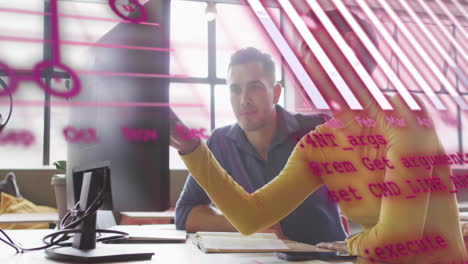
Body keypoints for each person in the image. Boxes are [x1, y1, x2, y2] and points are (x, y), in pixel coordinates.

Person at [170, 10, 467, 264]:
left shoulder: (404, 116)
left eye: (308, 49)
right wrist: (190, 147)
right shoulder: (320, 142)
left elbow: (397, 241)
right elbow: (250, 216)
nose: (300, 62)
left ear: (348, 44)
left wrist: (347, 246)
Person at [174, 47, 346, 245]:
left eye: (255, 87)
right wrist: (249, 225)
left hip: (324, 258)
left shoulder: (316, 130)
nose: (244, 100)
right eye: (235, 89)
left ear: (276, 93)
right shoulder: (220, 142)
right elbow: (185, 214)